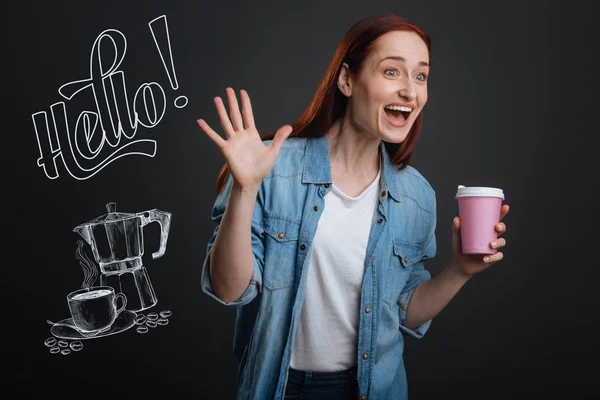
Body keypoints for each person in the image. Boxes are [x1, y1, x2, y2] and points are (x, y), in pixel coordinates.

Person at [197, 13, 510, 400]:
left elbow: (402, 311)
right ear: (347, 79)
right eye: (392, 72)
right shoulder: (270, 168)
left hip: (371, 390)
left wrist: (460, 271)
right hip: (278, 388)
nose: (411, 92)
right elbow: (229, 290)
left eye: (421, 76)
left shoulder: (417, 197)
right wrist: (245, 189)